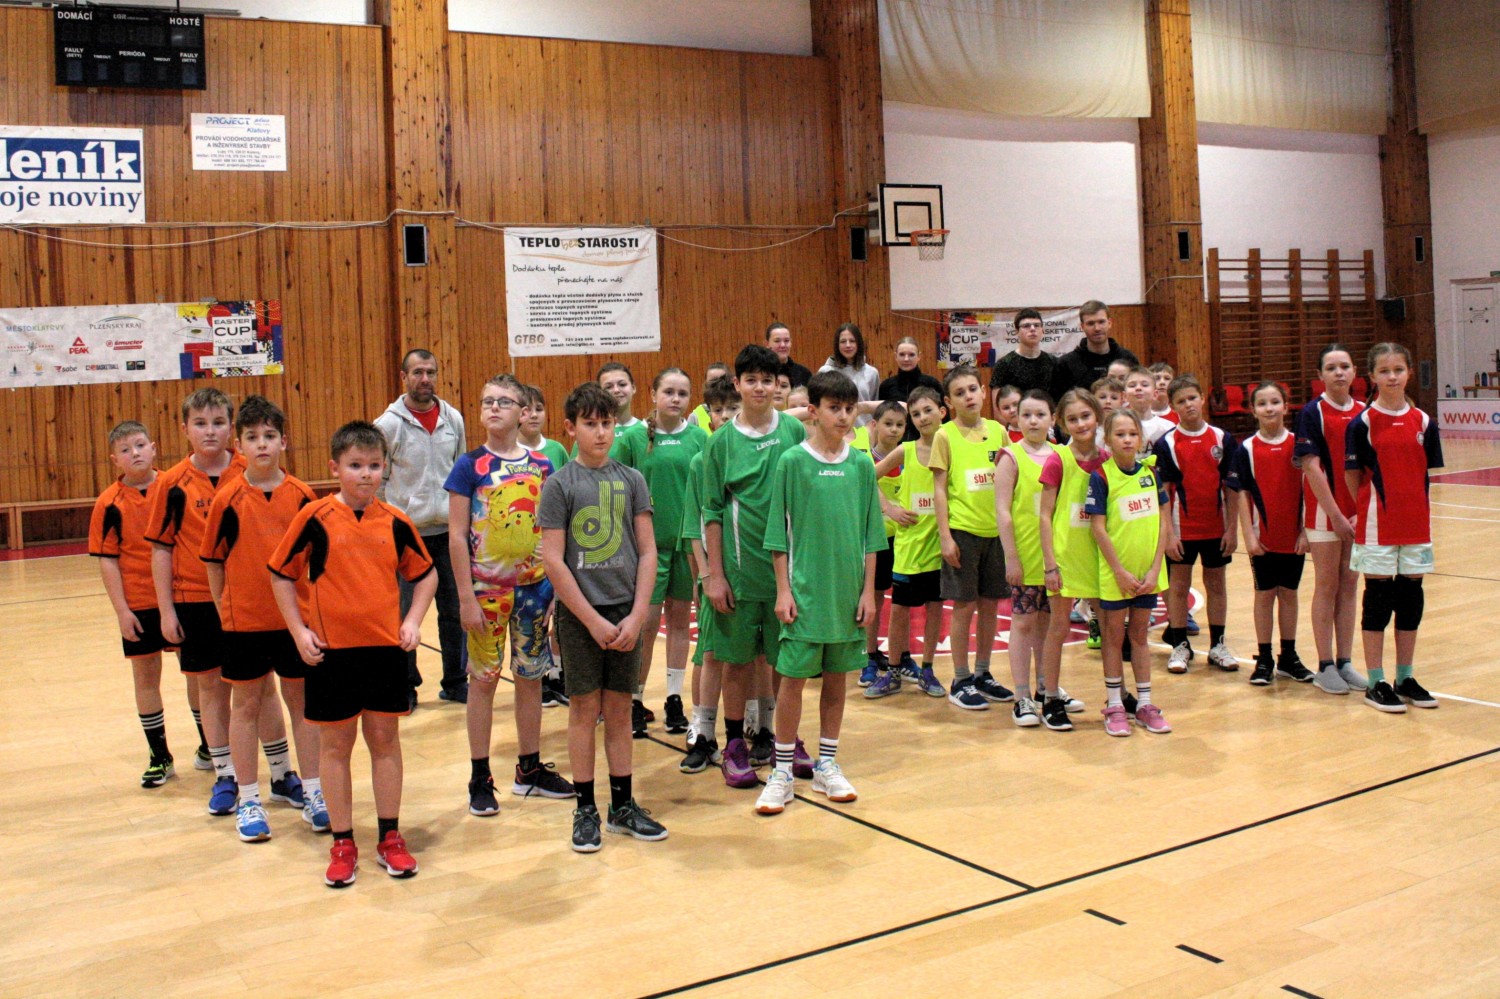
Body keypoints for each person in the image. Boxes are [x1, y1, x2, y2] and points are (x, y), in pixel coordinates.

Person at [269, 420, 437, 888]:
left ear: (385, 469)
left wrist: (412, 621)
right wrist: (298, 630)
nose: (366, 474)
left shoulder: (396, 521)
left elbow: (426, 575)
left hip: (384, 653)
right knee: (335, 747)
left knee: (385, 742)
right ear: (335, 468)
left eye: (374, 466)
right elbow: (280, 574)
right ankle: (342, 842)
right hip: (332, 655)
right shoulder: (315, 517)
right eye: (355, 465)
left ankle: (390, 836)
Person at [539, 382, 667, 852]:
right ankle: (585, 809)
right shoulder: (559, 485)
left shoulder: (632, 480)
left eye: (607, 423)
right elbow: (553, 560)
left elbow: (648, 552)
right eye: (589, 424)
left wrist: (637, 615)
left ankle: (623, 806)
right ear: (570, 428)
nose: (600, 432)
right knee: (583, 710)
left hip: (625, 613)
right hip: (581, 616)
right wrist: (591, 620)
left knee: (619, 709)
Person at [754, 370, 885, 815]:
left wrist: (868, 593)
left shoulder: (861, 465)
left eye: (849, 409)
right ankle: (782, 771)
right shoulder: (792, 462)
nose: (843, 417)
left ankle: (827, 762)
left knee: (836, 679)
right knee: (792, 681)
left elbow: (872, 535)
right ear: (813, 411)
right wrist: (783, 590)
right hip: (805, 595)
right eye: (834, 408)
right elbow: (777, 534)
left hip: (847, 596)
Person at [447, 374, 574, 819]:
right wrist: (465, 596)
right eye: (488, 401)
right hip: (486, 592)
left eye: (504, 401)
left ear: (523, 412)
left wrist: (557, 588)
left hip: (535, 589)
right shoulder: (469, 466)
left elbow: (555, 531)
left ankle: (529, 768)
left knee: (531, 677)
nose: (494, 408)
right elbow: (456, 536)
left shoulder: (542, 465)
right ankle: (480, 776)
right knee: (482, 681)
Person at [200, 396, 325, 843]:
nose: (262, 444)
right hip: (244, 624)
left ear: (284, 441)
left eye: (270, 436)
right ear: (239, 445)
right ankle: (249, 798)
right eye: (252, 437)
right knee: (246, 707)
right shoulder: (227, 499)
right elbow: (213, 562)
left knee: (302, 705)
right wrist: (225, 608)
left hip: (296, 624)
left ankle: (315, 791)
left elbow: (318, 562)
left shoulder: (303, 497)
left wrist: (313, 618)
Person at [701, 344, 808, 789]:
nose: (760, 388)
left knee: (788, 661)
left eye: (768, 380)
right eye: (752, 380)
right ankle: (734, 745)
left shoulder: (794, 432)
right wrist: (715, 575)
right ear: (737, 384)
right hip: (740, 572)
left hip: (788, 574)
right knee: (738, 662)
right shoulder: (721, 443)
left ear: (778, 385)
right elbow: (711, 512)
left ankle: (787, 740)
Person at [146, 387, 255, 817]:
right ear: (185, 429)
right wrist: (166, 610)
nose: (210, 431)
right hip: (193, 600)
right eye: (200, 423)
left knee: (255, 687)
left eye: (218, 423)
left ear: (232, 428)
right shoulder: (171, 483)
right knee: (209, 685)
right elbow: (161, 549)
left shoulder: (250, 470)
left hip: (246, 599)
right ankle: (224, 771)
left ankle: (277, 769)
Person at [1345, 343, 1443, 714]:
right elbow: (1352, 475)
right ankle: (1376, 682)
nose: (1392, 377)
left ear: (1409, 373)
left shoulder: (1424, 422)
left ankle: (1405, 678)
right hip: (1376, 528)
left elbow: (1424, 473)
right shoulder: (1362, 424)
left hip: (1415, 526)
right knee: (1378, 601)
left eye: (1398, 370)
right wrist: (1365, 510)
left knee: (1410, 601)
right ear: (1372, 376)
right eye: (1384, 371)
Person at [374, 349, 468, 706]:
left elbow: (461, 473)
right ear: (404, 378)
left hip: (448, 533)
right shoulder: (388, 425)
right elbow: (379, 480)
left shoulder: (453, 419)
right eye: (417, 372)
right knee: (404, 613)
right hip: (406, 537)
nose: (424, 379)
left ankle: (456, 681)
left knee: (455, 612)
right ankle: (406, 685)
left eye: (430, 372)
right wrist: (388, 524)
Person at [91, 421, 180, 788]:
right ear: (115, 460)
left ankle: (211, 747)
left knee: (198, 674)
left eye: (141, 445)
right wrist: (122, 611)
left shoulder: (174, 487)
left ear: (154, 447)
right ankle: (160, 756)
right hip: (139, 602)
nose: (135, 454)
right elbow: (107, 560)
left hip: (181, 598)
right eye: (126, 450)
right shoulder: (108, 503)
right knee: (145, 677)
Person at [929, 364, 1012, 710]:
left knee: (991, 604)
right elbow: (939, 490)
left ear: (983, 391)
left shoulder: (999, 431)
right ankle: (960, 679)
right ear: (949, 402)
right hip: (963, 532)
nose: (968, 397)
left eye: (973, 389)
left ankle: (983, 673)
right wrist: (945, 536)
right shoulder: (944, 435)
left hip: (997, 533)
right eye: (960, 393)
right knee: (964, 606)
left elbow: (1011, 481)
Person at [633, 368, 708, 738]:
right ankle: (634, 698)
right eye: (669, 392)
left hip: (685, 549)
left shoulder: (699, 438)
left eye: (682, 393)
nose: (675, 399)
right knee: (645, 626)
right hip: (647, 550)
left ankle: (674, 699)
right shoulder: (635, 438)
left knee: (679, 625)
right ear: (653, 394)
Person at [1088, 409, 1171, 736]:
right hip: (1116, 576)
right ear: (1107, 441)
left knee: (1139, 637)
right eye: (1120, 434)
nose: (1127, 440)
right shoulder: (1102, 477)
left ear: (1141, 438)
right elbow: (1098, 528)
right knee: (1113, 637)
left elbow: (1163, 522)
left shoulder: (1150, 473)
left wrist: (1155, 568)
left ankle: (1145, 704)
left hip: (1148, 574)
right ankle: (1115, 705)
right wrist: (1119, 571)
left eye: (1132, 434)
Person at [1154, 374, 1242, 674]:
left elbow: (1232, 488)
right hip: (1182, 530)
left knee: (1216, 584)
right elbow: (1164, 493)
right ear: (1172, 406)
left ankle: (1218, 645)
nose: (1188, 404)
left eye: (1192, 398)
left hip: (1216, 528)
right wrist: (1168, 534)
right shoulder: (1166, 443)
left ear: (1202, 398)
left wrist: (1232, 529)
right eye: (1181, 401)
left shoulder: (1222, 439)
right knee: (1178, 586)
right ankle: (1180, 645)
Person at [1294, 344, 1368, 694]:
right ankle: (1325, 665)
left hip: (1357, 514)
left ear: (1354, 372)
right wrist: (1337, 515)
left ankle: (1345, 661)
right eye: (1331, 367)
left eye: (1345, 366)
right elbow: (1311, 467)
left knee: (1350, 585)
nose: (1339, 372)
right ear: (1320, 375)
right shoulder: (1312, 413)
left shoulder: (1364, 412)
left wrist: (1360, 512)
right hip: (1325, 513)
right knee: (1327, 585)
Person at [867, 387, 948, 699]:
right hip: (909, 546)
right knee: (899, 609)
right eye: (916, 414)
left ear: (942, 411)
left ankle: (927, 669)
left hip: (940, 545)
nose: (922, 417)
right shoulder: (906, 451)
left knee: (935, 607)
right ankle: (893, 670)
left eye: (928, 410)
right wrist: (889, 508)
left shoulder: (952, 448)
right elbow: (868, 477)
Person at [678, 375, 742, 773]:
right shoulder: (701, 462)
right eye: (718, 410)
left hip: (750, 570)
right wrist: (703, 575)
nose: (726, 415)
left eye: (733, 408)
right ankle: (702, 732)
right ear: (708, 415)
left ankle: (758, 726)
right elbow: (692, 529)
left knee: (754, 656)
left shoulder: (756, 453)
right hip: (715, 575)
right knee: (711, 653)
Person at [1228, 382, 1311, 687]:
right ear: (1253, 410)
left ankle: (1288, 656)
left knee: (1289, 594)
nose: (1269, 408)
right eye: (1262, 403)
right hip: (1263, 538)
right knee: (1264, 595)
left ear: (1286, 406)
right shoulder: (1247, 449)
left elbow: (1309, 488)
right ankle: (1264, 658)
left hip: (1293, 536)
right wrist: (1248, 536)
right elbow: (1241, 493)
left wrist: (1306, 531)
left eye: (1275, 402)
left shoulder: (1299, 446)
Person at [1038, 390, 1108, 730]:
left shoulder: (1108, 460)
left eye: (1085, 416)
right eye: (1073, 419)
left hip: (1098, 557)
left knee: (1109, 628)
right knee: (1059, 627)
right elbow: (1044, 515)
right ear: (1062, 424)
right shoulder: (1058, 460)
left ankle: (1117, 695)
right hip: (1065, 557)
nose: (1080, 424)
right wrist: (1050, 564)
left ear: (1097, 416)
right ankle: (1050, 697)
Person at [995, 390, 1062, 728]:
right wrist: (1011, 557)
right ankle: (1021, 696)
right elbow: (1003, 512)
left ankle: (1047, 688)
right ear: (1016, 419)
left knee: (1048, 624)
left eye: (1040, 415)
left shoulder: (1062, 456)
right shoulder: (1011, 457)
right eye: (1026, 415)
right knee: (1023, 623)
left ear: (1053, 419)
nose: (1033, 421)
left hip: (1055, 558)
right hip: (1024, 555)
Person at [518, 383, 570, 708]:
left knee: (558, 611)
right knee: (535, 617)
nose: (534, 415)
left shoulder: (557, 450)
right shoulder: (511, 453)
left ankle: (557, 674)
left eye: (539, 408)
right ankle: (539, 677)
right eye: (527, 409)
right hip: (525, 550)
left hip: (553, 542)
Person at [855, 401, 908, 688]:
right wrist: (889, 509)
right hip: (876, 540)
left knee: (903, 601)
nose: (894, 429)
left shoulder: (910, 457)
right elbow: (867, 485)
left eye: (900, 424)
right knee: (873, 599)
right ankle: (869, 656)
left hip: (905, 541)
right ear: (874, 425)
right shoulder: (866, 460)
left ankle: (902, 656)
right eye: (888, 423)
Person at [1050, 300, 1140, 401]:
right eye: (1090, 323)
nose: (1097, 328)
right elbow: (1059, 403)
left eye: (1101, 322)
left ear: (1109, 323)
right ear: (1082, 327)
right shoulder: (1066, 364)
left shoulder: (1128, 359)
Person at [990, 309, 1057, 413]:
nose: (1032, 329)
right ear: (1017, 332)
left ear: (1042, 331)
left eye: (1037, 325)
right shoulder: (1004, 364)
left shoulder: (1054, 362)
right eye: (1026, 326)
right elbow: (998, 410)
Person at [877, 336, 943, 441]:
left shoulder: (932, 383)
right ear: (895, 356)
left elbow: (945, 418)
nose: (906, 359)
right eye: (902, 354)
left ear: (919, 356)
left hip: (928, 443)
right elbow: (881, 418)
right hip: (895, 444)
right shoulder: (886, 386)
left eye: (911, 355)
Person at [818, 323, 881, 414]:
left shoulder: (872, 373)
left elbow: (875, 408)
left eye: (852, 341)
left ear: (858, 343)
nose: (848, 345)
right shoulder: (825, 371)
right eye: (843, 341)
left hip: (864, 423)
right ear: (837, 345)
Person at [1124, 366, 1175, 444]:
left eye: (1144, 385)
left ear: (1155, 394)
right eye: (1132, 385)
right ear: (1124, 396)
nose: (1138, 388)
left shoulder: (1168, 427)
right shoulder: (1116, 425)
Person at [765, 322, 811, 388]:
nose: (783, 345)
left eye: (786, 341)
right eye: (777, 341)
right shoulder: (760, 372)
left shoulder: (803, 373)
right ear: (767, 344)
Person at [688, 362, 729, 432]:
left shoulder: (741, 411)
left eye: (722, 381)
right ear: (706, 385)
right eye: (713, 382)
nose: (718, 386)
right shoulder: (695, 417)